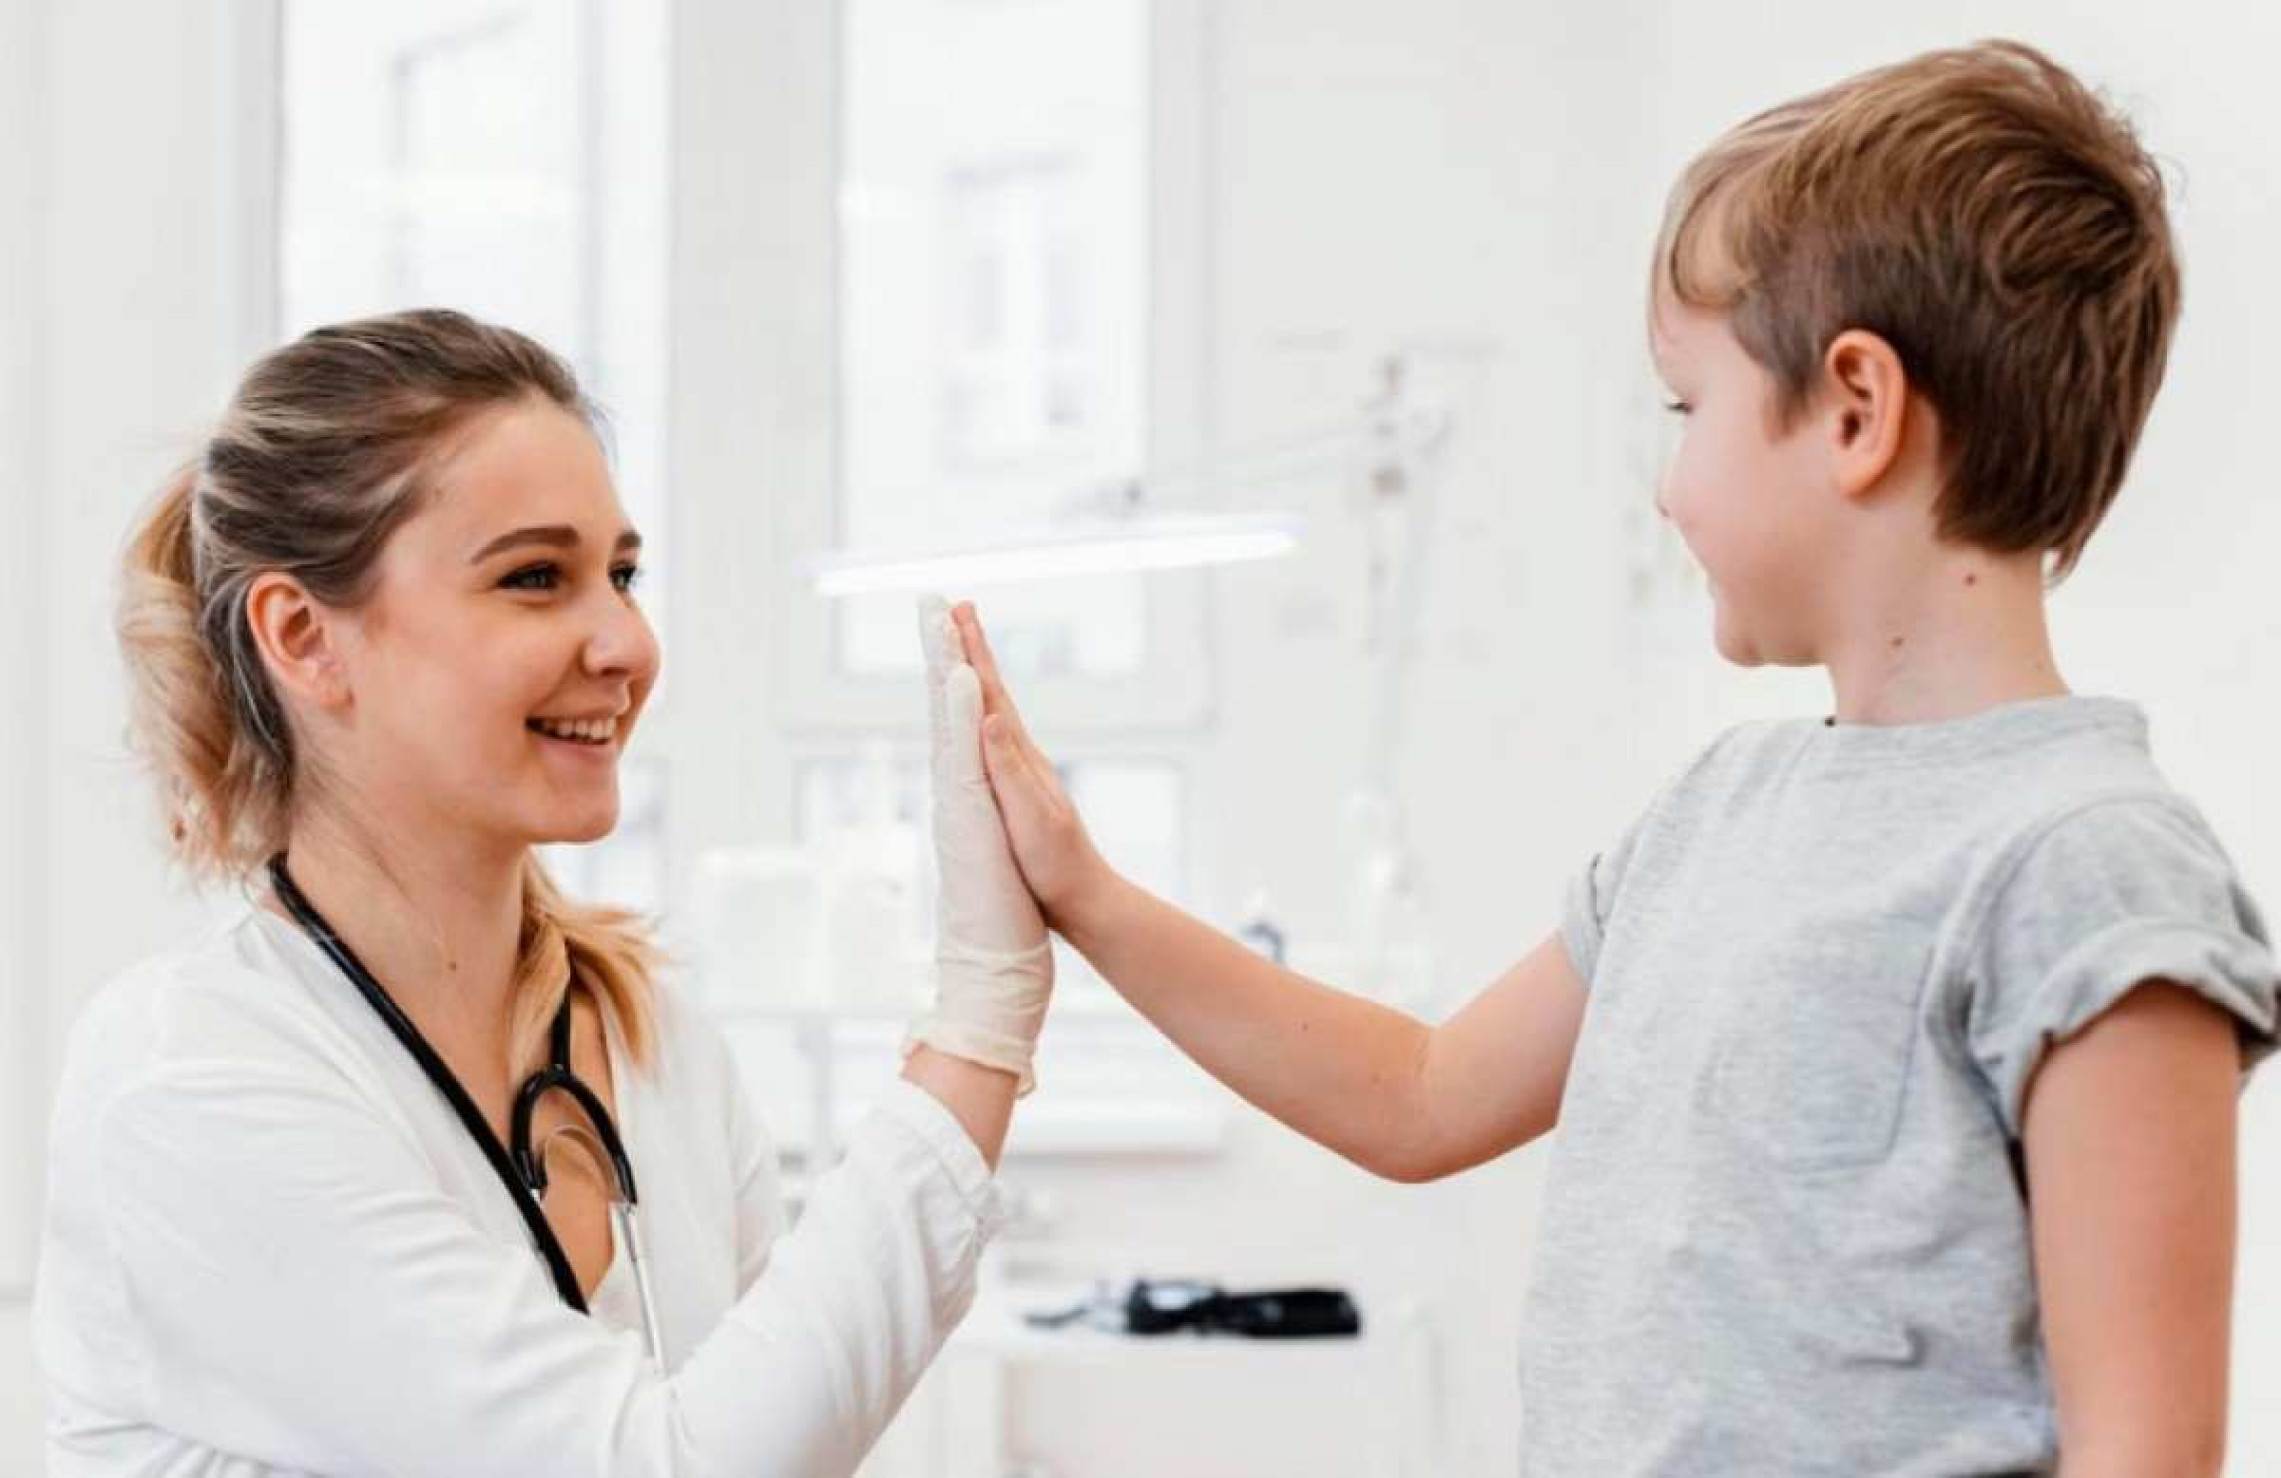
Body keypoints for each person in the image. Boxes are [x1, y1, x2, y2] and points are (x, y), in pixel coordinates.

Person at [950, 39, 2280, 1475]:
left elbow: (2144, 1452)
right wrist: (1084, 891)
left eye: (1685, 408)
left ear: (1855, 410)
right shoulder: (1714, 815)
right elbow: (1416, 1096)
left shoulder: (2091, 869)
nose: (1665, 482)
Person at [34, 308, 1051, 1476]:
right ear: (305, 635)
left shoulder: (652, 1041)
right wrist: (977, 1022)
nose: (623, 640)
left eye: (621, 573)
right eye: (534, 577)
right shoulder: (193, 1083)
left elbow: (792, 1428)